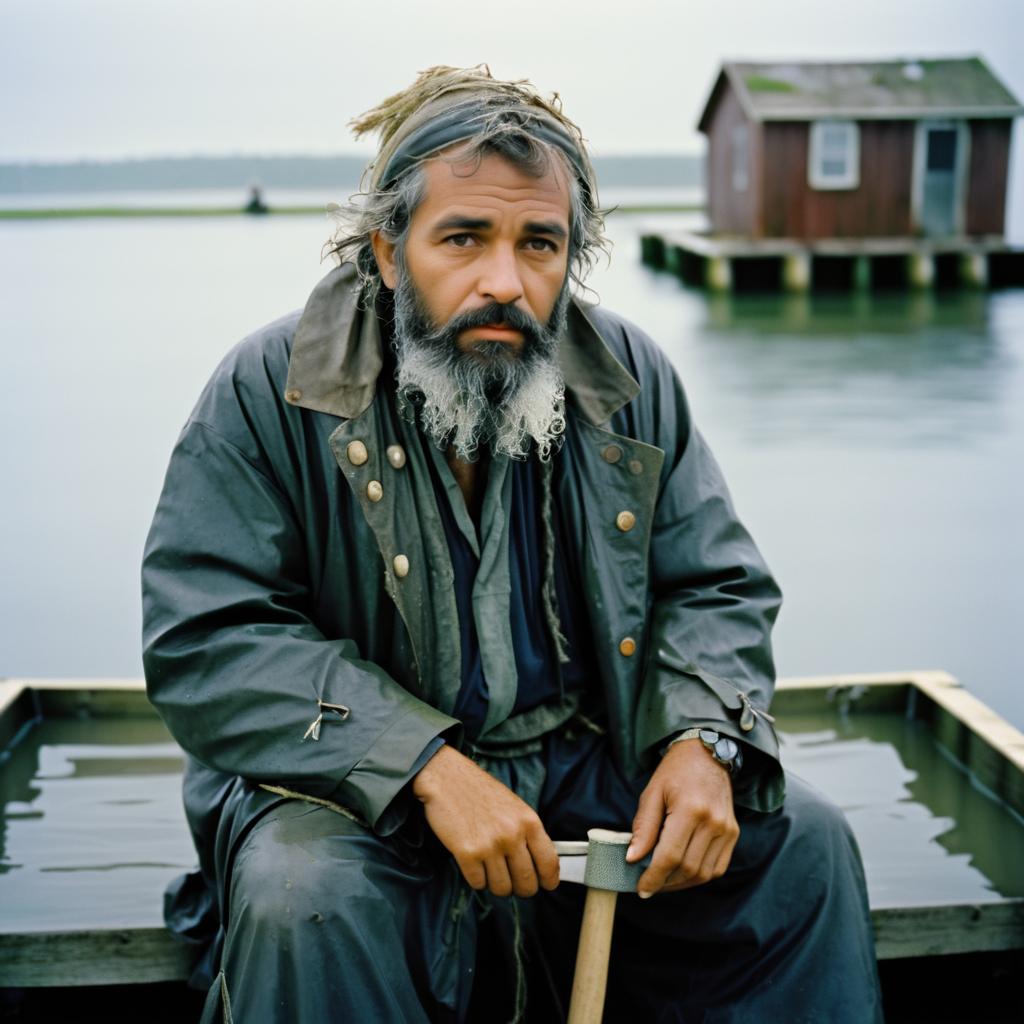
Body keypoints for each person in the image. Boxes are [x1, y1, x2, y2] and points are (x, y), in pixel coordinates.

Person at [142, 65, 882, 1023]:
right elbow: (209, 635)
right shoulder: (267, 388)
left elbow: (715, 586)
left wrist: (705, 742)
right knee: (301, 898)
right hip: (339, 789)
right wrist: (420, 766)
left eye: (539, 244)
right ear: (386, 247)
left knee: (807, 845)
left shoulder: (628, 380)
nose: (504, 281)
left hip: (576, 757)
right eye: (462, 238)